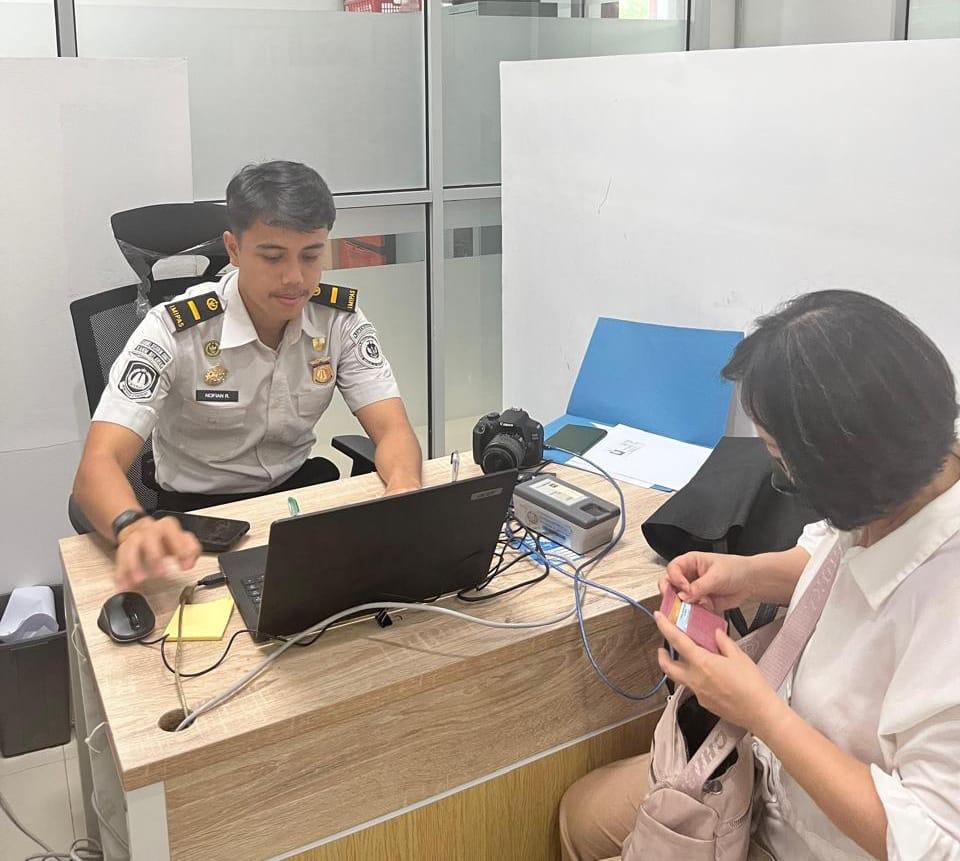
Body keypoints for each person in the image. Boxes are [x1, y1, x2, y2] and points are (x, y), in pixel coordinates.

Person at [559, 290, 960, 861]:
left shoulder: (944, 608)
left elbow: (932, 842)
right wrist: (748, 575)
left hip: (817, 838)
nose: (781, 476)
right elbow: (835, 555)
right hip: (757, 776)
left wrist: (761, 712)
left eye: (781, 460)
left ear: (848, 472)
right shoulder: (906, 484)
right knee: (580, 814)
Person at [73, 161, 423, 590]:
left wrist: (404, 489)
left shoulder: (338, 321)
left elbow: (393, 430)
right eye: (272, 257)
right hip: (198, 524)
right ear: (234, 250)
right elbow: (96, 466)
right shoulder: (174, 329)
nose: (295, 278)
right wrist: (130, 526)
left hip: (295, 506)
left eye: (311, 255)